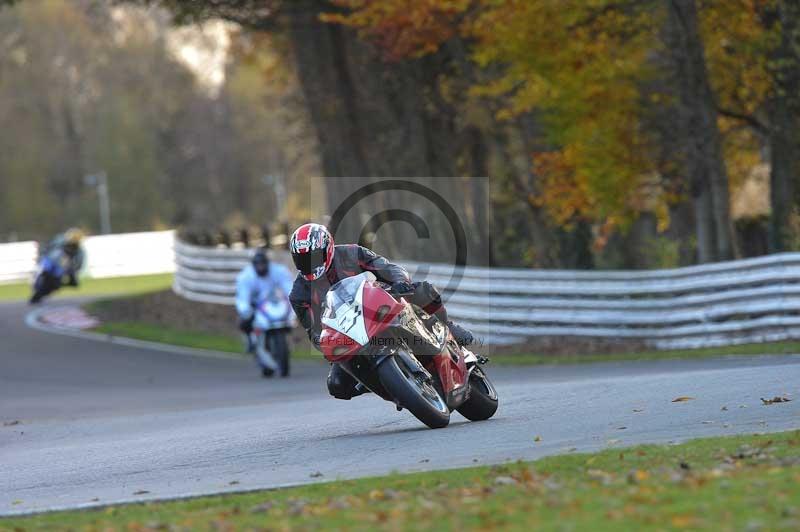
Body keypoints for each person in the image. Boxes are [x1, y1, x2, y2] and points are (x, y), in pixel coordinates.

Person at [288, 222, 474, 400]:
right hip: (347, 333)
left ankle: (446, 327)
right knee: (337, 385)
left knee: (424, 291)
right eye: (303, 259)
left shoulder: (350, 253)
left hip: (377, 303)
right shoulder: (299, 294)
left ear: (327, 248)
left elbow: (385, 267)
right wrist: (328, 344)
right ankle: (390, 385)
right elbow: (315, 332)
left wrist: (400, 281)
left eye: (314, 256)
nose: (310, 263)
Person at [235, 249, 295, 353]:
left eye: (263, 264)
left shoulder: (279, 271)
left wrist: (293, 305)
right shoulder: (245, 276)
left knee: (289, 320)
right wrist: (245, 310)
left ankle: (286, 342)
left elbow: (289, 289)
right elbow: (242, 297)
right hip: (256, 305)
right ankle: (250, 340)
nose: (261, 267)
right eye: (258, 264)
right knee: (244, 321)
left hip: (274, 302)